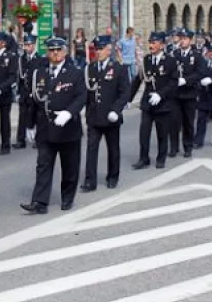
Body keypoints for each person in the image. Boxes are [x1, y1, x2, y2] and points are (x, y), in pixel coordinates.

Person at [20, 37, 86, 213]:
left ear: (65, 51)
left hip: (68, 129)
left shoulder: (75, 73)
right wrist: (30, 124)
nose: (55, 53)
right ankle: (39, 202)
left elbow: (81, 97)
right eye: (51, 50)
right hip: (45, 127)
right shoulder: (39, 73)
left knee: (69, 166)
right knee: (43, 165)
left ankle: (67, 197)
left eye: (58, 50)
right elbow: (33, 100)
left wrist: (69, 112)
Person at [82, 35, 129, 191]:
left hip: (111, 117)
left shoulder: (119, 69)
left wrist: (116, 110)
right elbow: (86, 93)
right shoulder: (90, 68)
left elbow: (125, 93)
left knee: (113, 148)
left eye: (101, 49)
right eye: (96, 49)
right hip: (94, 116)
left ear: (109, 50)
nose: (98, 52)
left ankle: (113, 176)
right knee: (91, 149)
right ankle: (90, 180)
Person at [129, 31, 178, 169]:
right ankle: (143, 158)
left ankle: (161, 158)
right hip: (147, 102)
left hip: (163, 103)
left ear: (162, 45)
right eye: (150, 42)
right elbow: (137, 81)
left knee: (162, 132)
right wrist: (128, 99)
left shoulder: (170, 61)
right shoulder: (146, 60)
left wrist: (161, 95)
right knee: (144, 132)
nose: (151, 45)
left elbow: (173, 82)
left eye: (154, 43)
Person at [170, 29, 203, 158]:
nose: (182, 41)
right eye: (181, 38)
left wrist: (187, 80)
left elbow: (200, 72)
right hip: (176, 94)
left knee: (188, 122)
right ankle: (174, 147)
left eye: (185, 38)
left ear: (190, 40)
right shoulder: (175, 54)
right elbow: (170, 69)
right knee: (174, 122)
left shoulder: (197, 55)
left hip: (189, 94)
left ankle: (187, 146)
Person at [15, 34, 42, 149]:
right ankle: (20, 140)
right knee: (22, 116)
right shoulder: (21, 59)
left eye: (29, 45)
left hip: (35, 91)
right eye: (25, 45)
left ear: (34, 45)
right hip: (24, 91)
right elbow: (20, 77)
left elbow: (41, 77)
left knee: (36, 115)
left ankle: (38, 139)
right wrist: (18, 92)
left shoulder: (39, 59)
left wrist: (38, 92)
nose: (27, 47)